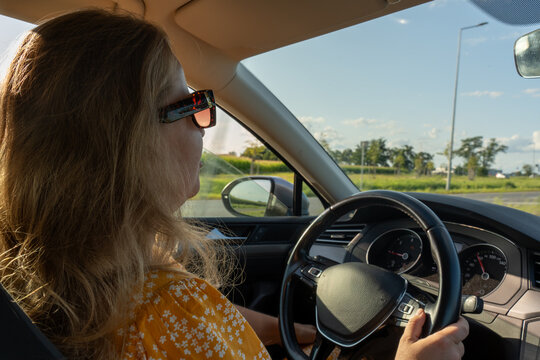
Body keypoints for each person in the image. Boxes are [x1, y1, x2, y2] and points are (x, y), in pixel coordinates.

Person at [0, 9, 468, 360]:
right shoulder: (171, 309)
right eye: (190, 105)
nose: (204, 126)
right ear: (127, 142)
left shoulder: (70, 280)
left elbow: (211, 328)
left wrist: (302, 330)